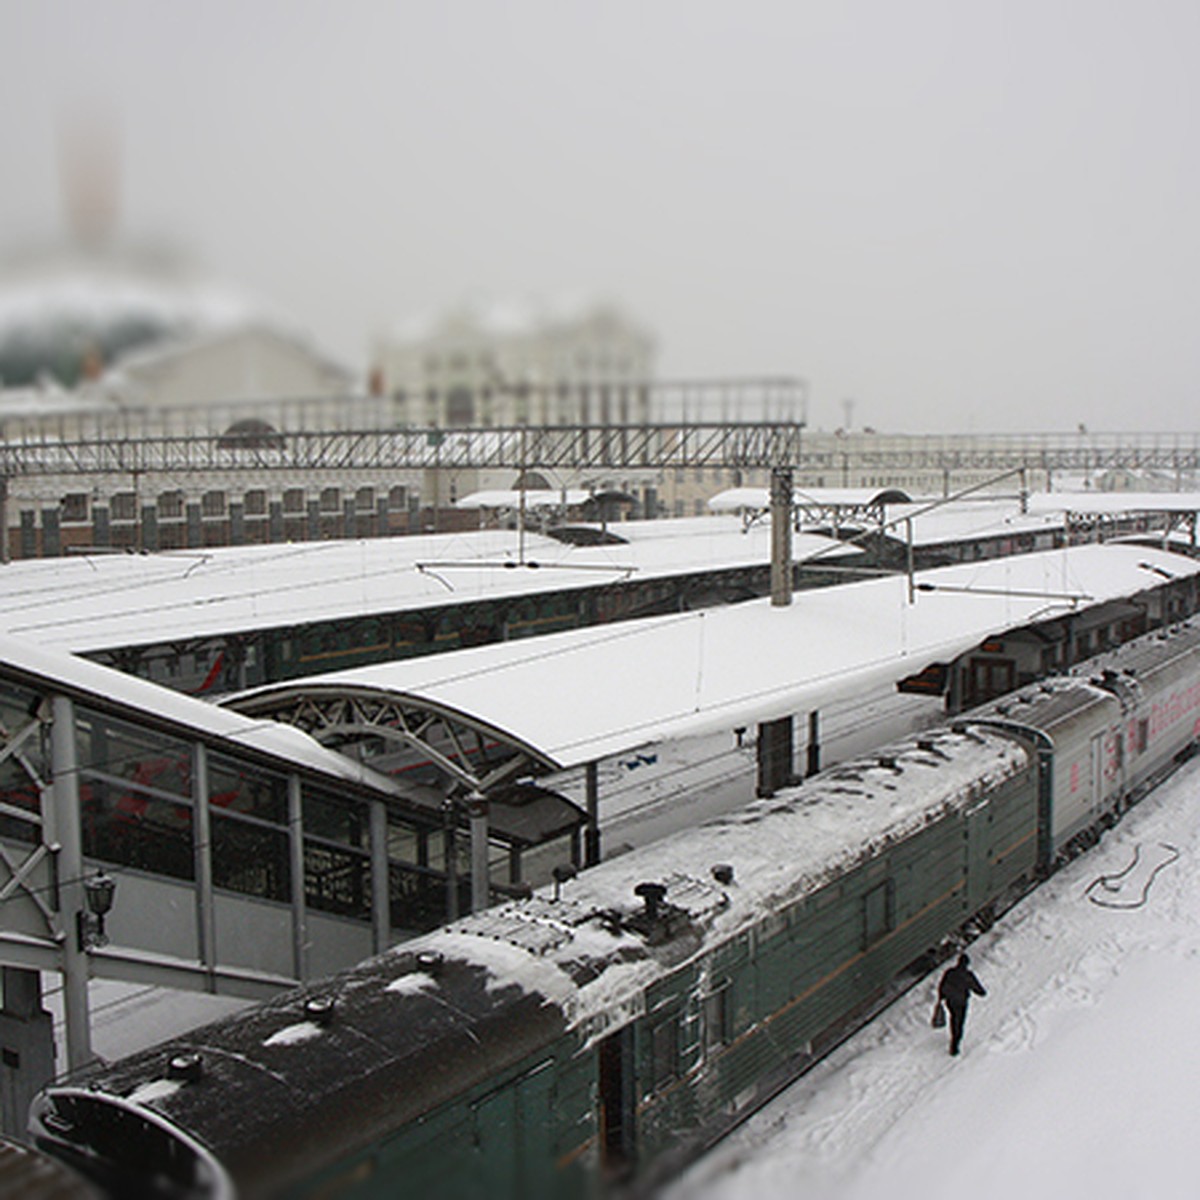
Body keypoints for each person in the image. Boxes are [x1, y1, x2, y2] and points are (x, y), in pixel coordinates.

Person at [937, 952, 986, 1056]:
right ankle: (955, 1043)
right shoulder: (968, 975)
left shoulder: (949, 972)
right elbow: (977, 988)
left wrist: (941, 997)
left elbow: (942, 985)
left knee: (953, 1017)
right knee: (960, 1022)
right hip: (961, 1002)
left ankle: (954, 1036)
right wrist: (982, 992)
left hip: (950, 1001)